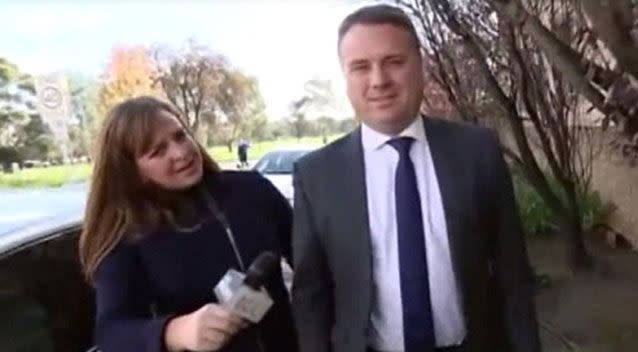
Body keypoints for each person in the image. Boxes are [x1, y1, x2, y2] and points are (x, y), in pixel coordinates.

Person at [291, 5, 540, 352]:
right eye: (360, 67)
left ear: (420, 65)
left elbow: (513, 273)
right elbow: (311, 296)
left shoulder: (477, 151)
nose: (379, 80)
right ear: (345, 78)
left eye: (393, 61)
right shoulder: (316, 175)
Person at [79, 96, 298, 352]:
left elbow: (310, 262)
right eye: (158, 151)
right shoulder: (129, 234)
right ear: (131, 171)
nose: (180, 152)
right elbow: (112, 333)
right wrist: (175, 332)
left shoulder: (252, 190)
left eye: (180, 136)